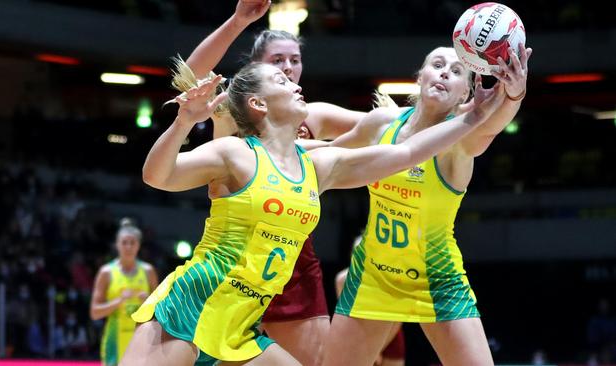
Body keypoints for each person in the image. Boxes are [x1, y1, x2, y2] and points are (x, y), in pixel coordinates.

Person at [120, 60, 505, 365]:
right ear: (259, 104)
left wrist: (472, 119)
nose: (293, 80)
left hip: (240, 320)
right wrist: (185, 120)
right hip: (194, 301)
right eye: (280, 80)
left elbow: (404, 154)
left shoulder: (317, 166)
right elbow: (158, 176)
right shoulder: (236, 153)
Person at [322, 44, 532, 366]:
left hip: (438, 279)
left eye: (457, 70)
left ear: (465, 93)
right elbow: (329, 156)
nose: (445, 71)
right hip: (373, 276)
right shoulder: (381, 124)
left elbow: (492, 124)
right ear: (420, 77)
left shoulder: (462, 137)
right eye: (437, 64)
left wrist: (514, 94)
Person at [183, 2, 365, 364]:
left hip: (292, 259)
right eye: (278, 60)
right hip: (234, 256)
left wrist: (453, 114)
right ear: (255, 68)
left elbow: (382, 129)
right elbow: (189, 74)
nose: (289, 67)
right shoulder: (237, 106)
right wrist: (237, 21)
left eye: (294, 60)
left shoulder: (314, 114)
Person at [90, 218, 158, 366]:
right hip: (114, 341)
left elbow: (161, 312)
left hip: (142, 341)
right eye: (124, 242)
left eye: (132, 242)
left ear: (138, 245)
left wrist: (149, 302)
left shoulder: (148, 271)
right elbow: (95, 313)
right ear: (117, 245)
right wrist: (118, 301)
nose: (128, 247)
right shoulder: (106, 272)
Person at [334, 235, 405, 366]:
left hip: (390, 337)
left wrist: (378, 348)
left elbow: (397, 320)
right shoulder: (342, 280)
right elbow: (345, 316)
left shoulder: (388, 281)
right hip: (358, 336)